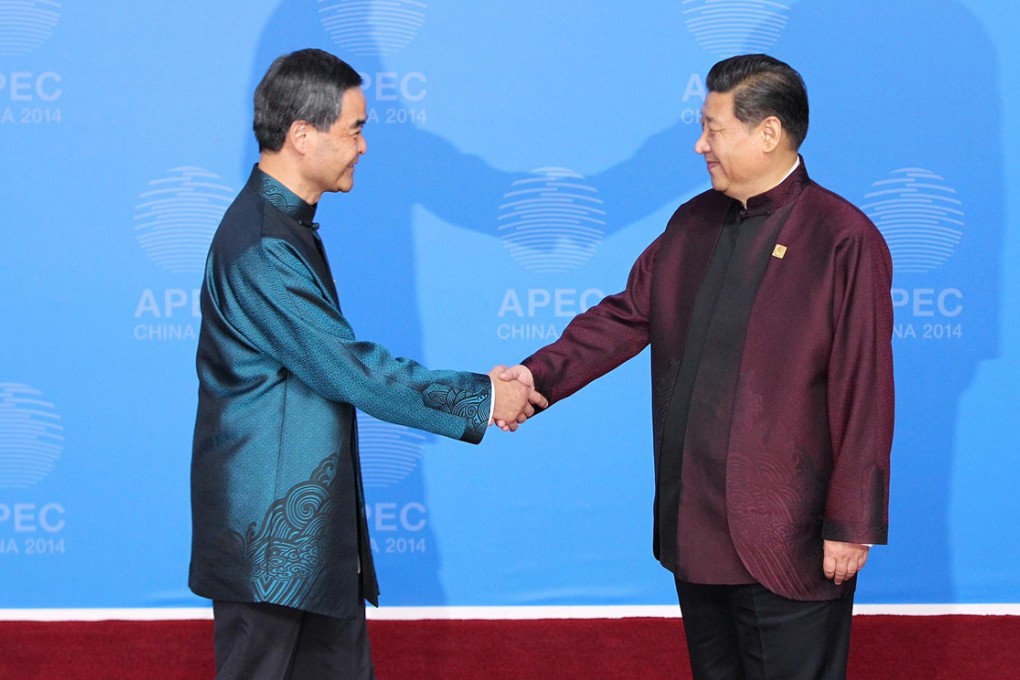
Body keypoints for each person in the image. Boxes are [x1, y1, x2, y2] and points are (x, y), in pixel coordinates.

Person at [501, 54, 894, 679]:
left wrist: (851, 522)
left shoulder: (843, 237)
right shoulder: (693, 222)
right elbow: (626, 316)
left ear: (767, 133)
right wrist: (536, 376)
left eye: (713, 129)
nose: (699, 144)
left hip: (789, 538)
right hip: (696, 527)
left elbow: (863, 388)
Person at [189, 48, 544, 680]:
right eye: (354, 128)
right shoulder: (265, 244)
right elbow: (349, 371)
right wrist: (484, 398)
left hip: (307, 539)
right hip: (269, 545)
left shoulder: (283, 227)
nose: (363, 146)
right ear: (302, 136)